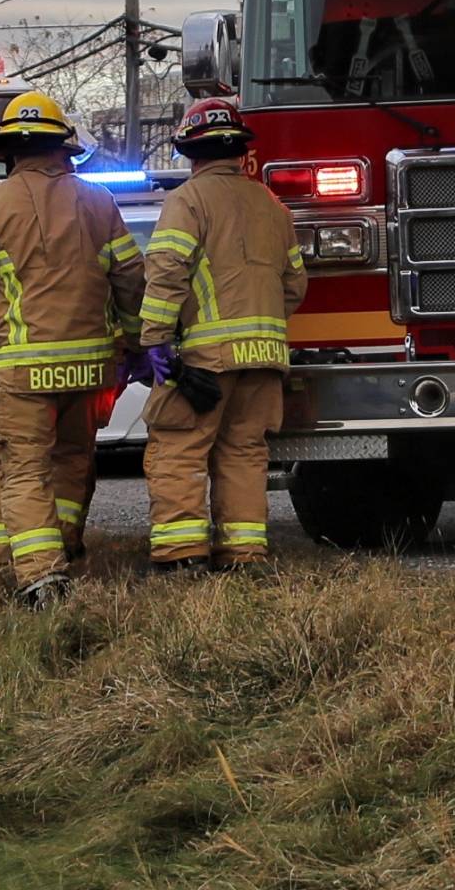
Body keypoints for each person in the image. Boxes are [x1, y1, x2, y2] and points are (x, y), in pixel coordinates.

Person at [0, 90, 144, 610]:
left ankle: (38, 574)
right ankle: (67, 547)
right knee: (75, 459)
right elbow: (131, 280)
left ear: (7, 151)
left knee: (22, 469)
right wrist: (135, 344)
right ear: (63, 147)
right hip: (91, 369)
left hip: (22, 372)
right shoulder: (99, 201)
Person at [132, 98, 308, 573]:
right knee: (244, 453)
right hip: (266, 357)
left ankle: (182, 555)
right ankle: (244, 554)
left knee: (179, 448)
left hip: (205, 360)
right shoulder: (272, 205)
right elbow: (295, 284)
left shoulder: (187, 200)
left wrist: (155, 338)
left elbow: (167, 271)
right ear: (238, 151)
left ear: (190, 152)